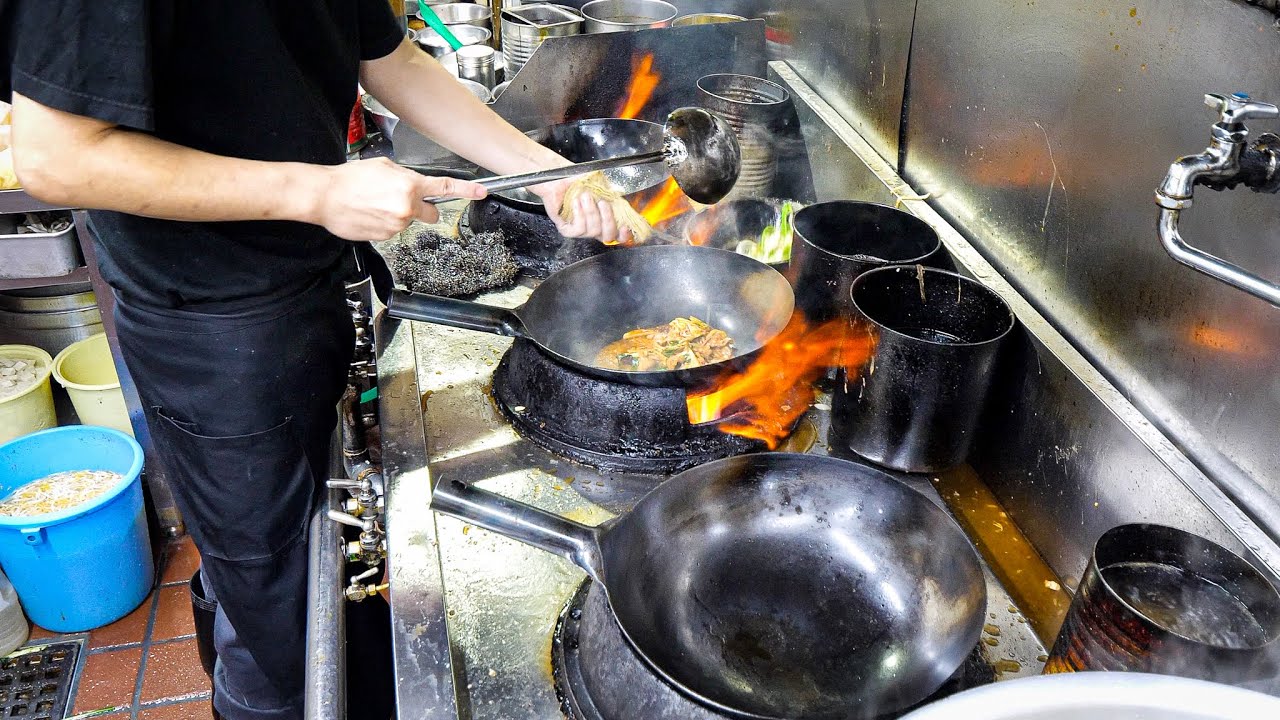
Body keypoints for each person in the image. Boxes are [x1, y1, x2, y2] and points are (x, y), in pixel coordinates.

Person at [3, 2, 630, 718]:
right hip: (213, 328)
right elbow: (58, 157)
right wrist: (320, 190)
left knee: (317, 570)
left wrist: (547, 172)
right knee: (282, 626)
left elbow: (390, 59)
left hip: (308, 277)